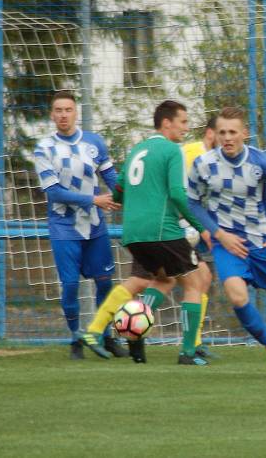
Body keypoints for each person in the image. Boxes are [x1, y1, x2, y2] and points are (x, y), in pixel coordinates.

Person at [76, 100, 211, 366]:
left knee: (163, 281)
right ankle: (188, 352)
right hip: (163, 230)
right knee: (196, 282)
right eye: (182, 122)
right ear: (166, 123)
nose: (186, 128)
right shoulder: (172, 151)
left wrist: (120, 200)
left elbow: (119, 191)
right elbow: (176, 194)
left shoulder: (137, 149)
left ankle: (134, 333)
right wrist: (201, 227)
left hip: (133, 234)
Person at [187, 106, 266, 380]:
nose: (227, 137)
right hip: (229, 244)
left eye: (233, 132)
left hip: (264, 242)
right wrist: (219, 234)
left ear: (244, 133)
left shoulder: (262, 162)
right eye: (222, 132)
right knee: (237, 295)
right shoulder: (203, 164)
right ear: (215, 134)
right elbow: (192, 202)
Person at [33, 91, 127, 360]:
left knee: (105, 282)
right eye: (58, 110)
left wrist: (127, 197)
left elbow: (111, 176)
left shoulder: (94, 143)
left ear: (76, 112)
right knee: (71, 285)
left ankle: (105, 336)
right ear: (52, 115)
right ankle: (75, 336)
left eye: (68, 110)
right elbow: (54, 192)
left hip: (95, 227)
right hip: (64, 227)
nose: (63, 115)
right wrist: (94, 199)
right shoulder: (44, 148)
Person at [181, 115, 218, 359]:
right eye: (222, 132)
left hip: (188, 226)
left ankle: (194, 341)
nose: (226, 138)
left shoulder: (209, 156)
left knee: (202, 278)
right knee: (153, 283)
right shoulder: (195, 152)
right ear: (210, 132)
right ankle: (128, 334)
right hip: (176, 226)